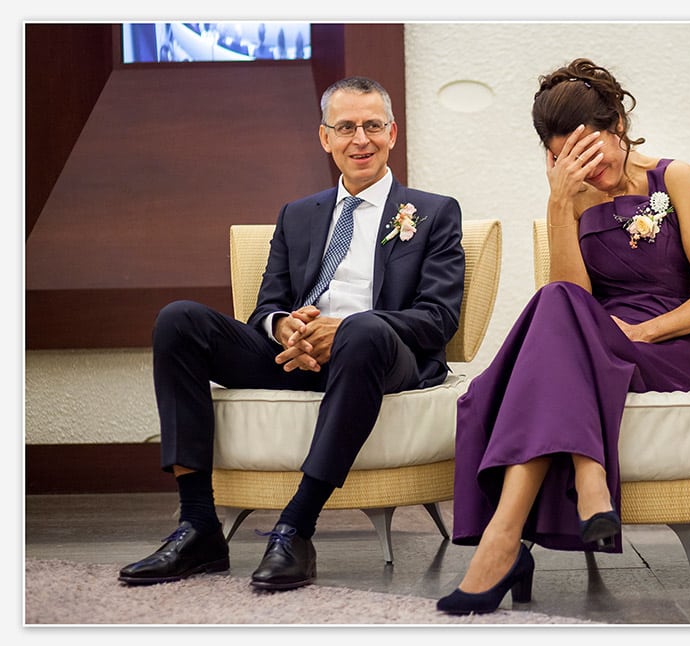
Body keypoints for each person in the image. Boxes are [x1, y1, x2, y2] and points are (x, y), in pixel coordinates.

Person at [118, 76, 465, 591]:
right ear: (325, 137)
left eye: (373, 126)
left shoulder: (434, 212)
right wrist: (285, 328)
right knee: (179, 320)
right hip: (296, 357)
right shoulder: (297, 214)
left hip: (380, 356)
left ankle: (295, 528)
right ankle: (198, 527)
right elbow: (267, 305)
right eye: (345, 127)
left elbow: (438, 318)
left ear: (392, 133)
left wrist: (341, 330)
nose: (361, 139)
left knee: (362, 331)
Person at [436, 58, 690, 615]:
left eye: (593, 154)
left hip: (668, 346)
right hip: (593, 345)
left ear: (618, 125)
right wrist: (558, 203)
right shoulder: (571, 196)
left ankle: (504, 542)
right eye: (567, 160)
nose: (588, 171)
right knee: (557, 300)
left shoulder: (676, 179)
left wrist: (642, 331)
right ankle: (585, 482)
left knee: (550, 325)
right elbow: (572, 293)